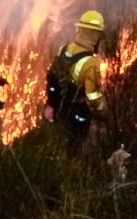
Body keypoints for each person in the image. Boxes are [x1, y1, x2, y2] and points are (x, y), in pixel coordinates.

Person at [44, 10, 108, 145]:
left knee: (54, 145)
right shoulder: (91, 63)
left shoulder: (64, 49)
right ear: (96, 36)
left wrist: (51, 104)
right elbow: (93, 97)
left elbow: (53, 76)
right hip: (75, 117)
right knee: (72, 149)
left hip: (56, 109)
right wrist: (105, 112)